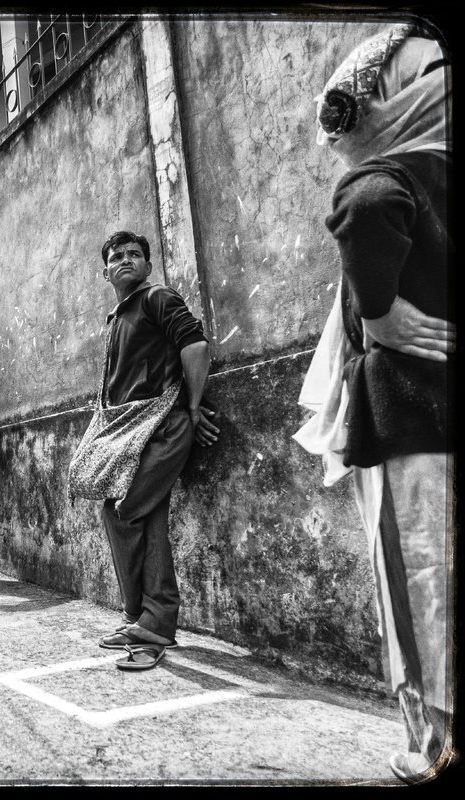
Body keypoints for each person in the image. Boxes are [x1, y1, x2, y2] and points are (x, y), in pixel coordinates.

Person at [293, 25, 453, 784]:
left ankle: (435, 746)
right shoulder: (429, 175)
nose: (440, 86)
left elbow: (360, 208)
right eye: (426, 76)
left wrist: (377, 309)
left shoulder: (389, 176)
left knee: (418, 584)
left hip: (407, 423)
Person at [93, 231, 218, 671]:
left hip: (164, 430)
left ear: (147, 266)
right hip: (131, 435)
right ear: (106, 271)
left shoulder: (157, 298)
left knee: (125, 510)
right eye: (116, 256)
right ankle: (140, 619)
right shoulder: (117, 317)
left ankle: (155, 621)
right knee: (137, 515)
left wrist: (194, 406)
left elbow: (196, 346)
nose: (125, 260)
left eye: (134, 255)